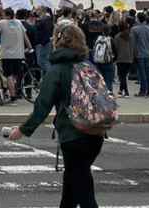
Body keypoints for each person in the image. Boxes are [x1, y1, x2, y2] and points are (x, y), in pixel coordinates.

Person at [10, 22, 105, 208]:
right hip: (96, 133)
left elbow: (42, 106)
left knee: (83, 189)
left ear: (58, 42)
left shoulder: (56, 71)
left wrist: (23, 129)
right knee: (73, 181)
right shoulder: (88, 66)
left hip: (72, 134)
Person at [0, 8, 33, 102]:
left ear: (6, 15)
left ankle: (12, 96)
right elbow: (25, 36)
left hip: (7, 54)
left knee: (9, 75)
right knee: (15, 75)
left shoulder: (2, 23)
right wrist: (29, 47)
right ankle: (13, 92)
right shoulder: (19, 23)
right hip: (19, 54)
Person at [131, 13, 149, 97]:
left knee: (141, 73)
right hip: (147, 53)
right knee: (148, 72)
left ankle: (142, 90)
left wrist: (133, 54)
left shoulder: (134, 29)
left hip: (138, 53)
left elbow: (133, 43)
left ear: (137, 19)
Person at [112, 16, 135, 98]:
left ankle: (126, 91)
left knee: (121, 76)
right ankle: (121, 90)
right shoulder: (131, 36)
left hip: (120, 58)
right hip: (129, 58)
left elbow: (116, 48)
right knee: (124, 75)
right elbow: (133, 47)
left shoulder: (117, 37)